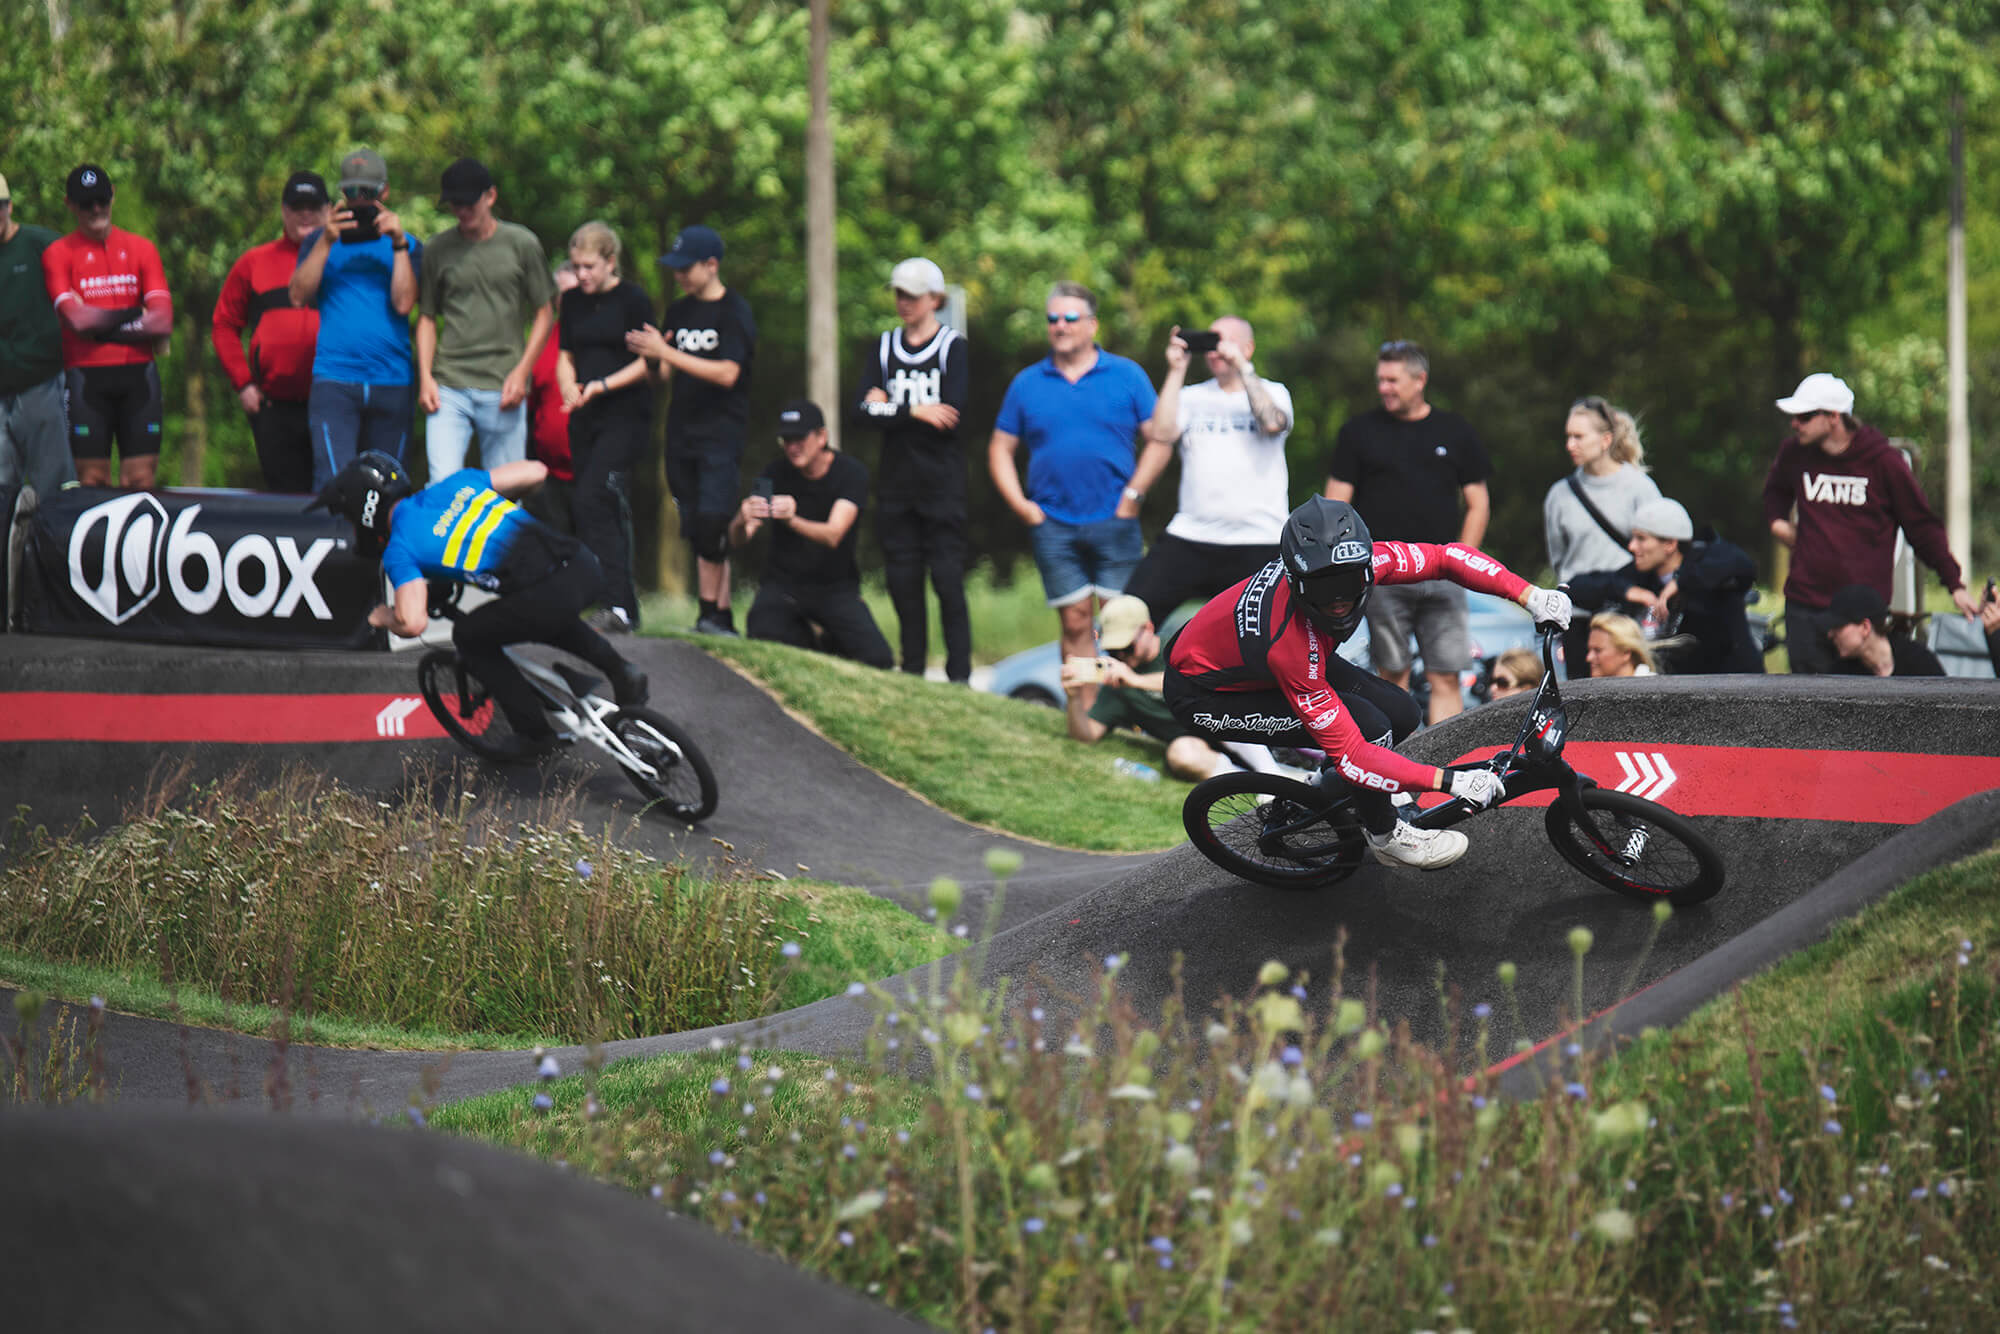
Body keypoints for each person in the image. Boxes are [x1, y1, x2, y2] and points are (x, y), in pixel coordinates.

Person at [1166, 496, 1574, 870]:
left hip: (1259, 661)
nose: (1339, 600)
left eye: (1347, 583)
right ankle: (1387, 837)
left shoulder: (1366, 560)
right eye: (1324, 589)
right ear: (1296, 581)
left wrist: (1530, 595)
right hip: (1207, 695)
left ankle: (1333, 792)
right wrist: (1451, 781)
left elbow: (1447, 558)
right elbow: (1354, 755)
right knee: (1369, 730)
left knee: (1402, 712)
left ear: (1365, 566)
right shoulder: (1288, 644)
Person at [307, 450, 649, 759]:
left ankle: (535, 735)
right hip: (582, 565)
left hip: (549, 593)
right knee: (542, 612)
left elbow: (413, 622)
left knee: (471, 636)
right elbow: (537, 471)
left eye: (350, 520)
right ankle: (623, 671)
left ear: (364, 512)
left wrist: (384, 617)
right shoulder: (457, 484)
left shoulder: (400, 548)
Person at [989, 281, 1176, 719]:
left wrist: (1133, 496)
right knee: (1074, 621)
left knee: (1123, 626)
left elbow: (1161, 441)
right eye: (1053, 318)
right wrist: (1021, 505)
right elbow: (1000, 448)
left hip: (1116, 519)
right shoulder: (1027, 383)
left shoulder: (1126, 375)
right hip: (1053, 522)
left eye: (1070, 317)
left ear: (1092, 324)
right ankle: (1083, 720)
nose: (1060, 326)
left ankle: (1132, 720)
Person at [1761, 372, 1978, 673]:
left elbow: (1921, 525)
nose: (1795, 423)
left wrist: (1953, 582)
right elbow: (1774, 491)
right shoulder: (1795, 453)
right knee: (1808, 709)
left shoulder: (1882, 462)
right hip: (1806, 607)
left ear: (1834, 417)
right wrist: (1777, 524)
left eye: (1805, 416)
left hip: (1859, 618)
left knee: (1860, 708)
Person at [1324, 340, 1492, 722]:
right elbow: (1337, 506)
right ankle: (1399, 764)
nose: (1383, 387)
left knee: (1446, 675)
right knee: (1391, 674)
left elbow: (1478, 502)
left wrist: (1463, 559)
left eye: (1392, 380)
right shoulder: (1358, 432)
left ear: (1420, 380)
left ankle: (1446, 768)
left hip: (1445, 572)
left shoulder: (1455, 431)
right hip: (1384, 573)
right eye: (1380, 380)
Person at [626, 224, 756, 637]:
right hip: (682, 432)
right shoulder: (680, 313)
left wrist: (669, 353)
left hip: (720, 431)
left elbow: (728, 373)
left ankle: (713, 615)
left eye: (686, 268)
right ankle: (714, 616)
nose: (679, 275)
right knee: (696, 522)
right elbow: (661, 375)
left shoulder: (734, 311)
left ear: (711, 265)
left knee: (713, 519)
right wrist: (651, 357)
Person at [1122, 315, 1293, 627]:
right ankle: (1130, 674)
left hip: (1259, 538)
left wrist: (1243, 368)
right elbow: (1160, 435)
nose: (1216, 351)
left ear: (1248, 348)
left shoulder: (1274, 392)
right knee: (1129, 619)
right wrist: (1176, 370)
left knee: (1261, 639)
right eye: (1211, 343)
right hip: (1192, 535)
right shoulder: (1191, 397)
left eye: (1224, 343)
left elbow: (1271, 423)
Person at [850, 256, 972, 682]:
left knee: (947, 581)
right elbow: (861, 411)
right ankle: (913, 670)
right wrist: (915, 409)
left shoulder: (952, 348)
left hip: (942, 486)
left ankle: (959, 676)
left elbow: (952, 414)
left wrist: (890, 407)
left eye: (913, 295)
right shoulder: (884, 347)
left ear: (935, 299)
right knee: (903, 581)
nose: (904, 302)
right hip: (895, 486)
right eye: (899, 293)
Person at [289, 147, 421, 491]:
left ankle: (383, 547)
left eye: (369, 193)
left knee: (390, 486)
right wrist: (327, 241)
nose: (359, 201)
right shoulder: (319, 240)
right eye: (351, 193)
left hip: (391, 379)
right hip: (335, 378)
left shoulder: (408, 244)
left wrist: (398, 244)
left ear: (385, 192)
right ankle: (336, 545)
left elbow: (405, 303)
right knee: (334, 483)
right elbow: (298, 295)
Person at [416, 158, 556, 480]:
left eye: (468, 203)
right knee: (442, 485)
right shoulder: (438, 249)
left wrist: (523, 372)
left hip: (503, 384)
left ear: (490, 197)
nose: (462, 211)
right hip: (449, 385)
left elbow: (545, 312)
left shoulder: (521, 244)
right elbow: (425, 317)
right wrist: (425, 377)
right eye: (454, 204)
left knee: (507, 488)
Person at [1060, 594, 1297, 782]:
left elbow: (1195, 683)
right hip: (1198, 744)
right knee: (1181, 754)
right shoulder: (1118, 683)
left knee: (1217, 709)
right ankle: (1256, 782)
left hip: (1237, 722)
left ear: (1149, 628)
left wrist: (1135, 680)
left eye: (1127, 647)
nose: (1121, 656)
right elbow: (1087, 735)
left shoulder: (1180, 642)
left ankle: (1270, 772)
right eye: (1113, 651)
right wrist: (1073, 698)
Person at [729, 399, 893, 667]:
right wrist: (739, 519)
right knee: (764, 635)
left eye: (799, 439)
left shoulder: (851, 473)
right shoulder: (772, 474)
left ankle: (831, 639)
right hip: (783, 586)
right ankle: (812, 641)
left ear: (821, 437)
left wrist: (792, 520)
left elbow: (833, 534)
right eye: (787, 440)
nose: (792, 447)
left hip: (835, 588)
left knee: (877, 659)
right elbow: (741, 538)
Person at [41, 164, 172, 489]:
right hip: (87, 378)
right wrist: (135, 315)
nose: (96, 210)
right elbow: (75, 319)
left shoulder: (142, 249)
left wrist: (98, 325)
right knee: (92, 480)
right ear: (69, 204)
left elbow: (163, 320)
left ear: (112, 196)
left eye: (101, 200)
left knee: (140, 479)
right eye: (87, 204)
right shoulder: (58, 253)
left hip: (138, 375)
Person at [555, 221, 653, 634]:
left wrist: (603, 386)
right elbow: (565, 354)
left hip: (624, 414)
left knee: (598, 496)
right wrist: (568, 386)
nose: (581, 275)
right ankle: (618, 604)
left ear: (610, 262)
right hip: (585, 417)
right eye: (576, 266)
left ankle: (618, 604)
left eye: (589, 267)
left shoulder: (634, 300)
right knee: (588, 504)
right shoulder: (573, 301)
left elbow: (651, 361)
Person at [212, 171, 328, 493]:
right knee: (285, 496)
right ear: (283, 211)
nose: (305, 214)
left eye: (313, 207)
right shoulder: (254, 261)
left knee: (332, 493)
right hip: (275, 405)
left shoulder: (341, 260)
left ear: (329, 211)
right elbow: (224, 324)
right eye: (297, 207)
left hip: (333, 402)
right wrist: (243, 383)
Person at [1568, 497, 1765, 675]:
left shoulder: (1708, 563)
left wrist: (1681, 583)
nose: (1632, 547)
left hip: (1731, 684)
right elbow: (1576, 588)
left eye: (1641, 539)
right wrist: (1629, 591)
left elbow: (1743, 565)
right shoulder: (1640, 575)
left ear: (1670, 544)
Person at [1541, 396, 1660, 678]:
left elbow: (1658, 551)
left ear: (1606, 440)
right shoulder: (1560, 494)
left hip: (1625, 617)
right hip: (1579, 616)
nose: (1571, 445)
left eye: (1579, 437)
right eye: (1568, 436)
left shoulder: (1639, 487)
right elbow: (1558, 558)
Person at [0, 170, 75, 500]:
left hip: (41, 383)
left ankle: (53, 552)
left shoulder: (41, 244)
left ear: (9, 207)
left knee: (53, 485)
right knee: (3, 488)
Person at [523, 261, 579, 533]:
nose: (570, 300)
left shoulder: (602, 337)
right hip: (548, 477)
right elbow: (530, 410)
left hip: (592, 472)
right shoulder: (542, 340)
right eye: (563, 292)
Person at [1823, 584, 1944, 678]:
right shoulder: (1841, 673)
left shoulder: (1920, 662)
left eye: (1838, 627)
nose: (1830, 634)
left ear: (1865, 627)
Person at [1585, 612, 1657, 677]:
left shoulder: (1655, 688)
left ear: (1626, 652)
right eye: (1589, 650)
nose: (1589, 658)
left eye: (1598, 650)